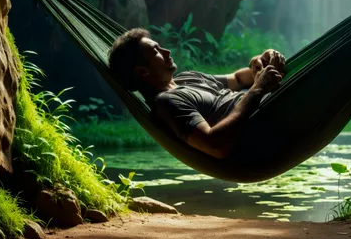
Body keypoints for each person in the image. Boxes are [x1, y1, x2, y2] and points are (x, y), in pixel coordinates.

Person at [108, 27, 285, 159]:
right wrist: (258, 88)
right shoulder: (167, 102)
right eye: (156, 51)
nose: (167, 51)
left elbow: (239, 80)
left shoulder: (187, 77)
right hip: (266, 123)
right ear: (142, 72)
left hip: (271, 102)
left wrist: (262, 62)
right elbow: (214, 145)